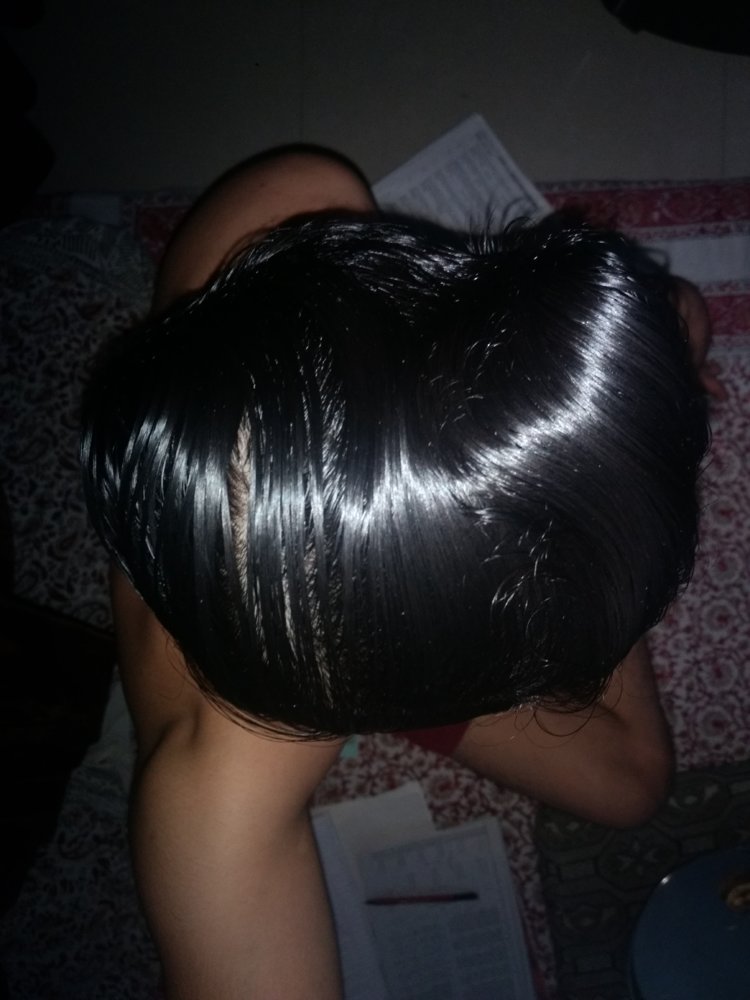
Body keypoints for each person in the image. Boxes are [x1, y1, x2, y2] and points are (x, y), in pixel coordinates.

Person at [80, 145, 714, 999]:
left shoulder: (286, 214)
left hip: (353, 620)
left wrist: (610, 434)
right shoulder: (220, 800)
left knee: (662, 349)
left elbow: (669, 317)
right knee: (632, 784)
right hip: (338, 662)